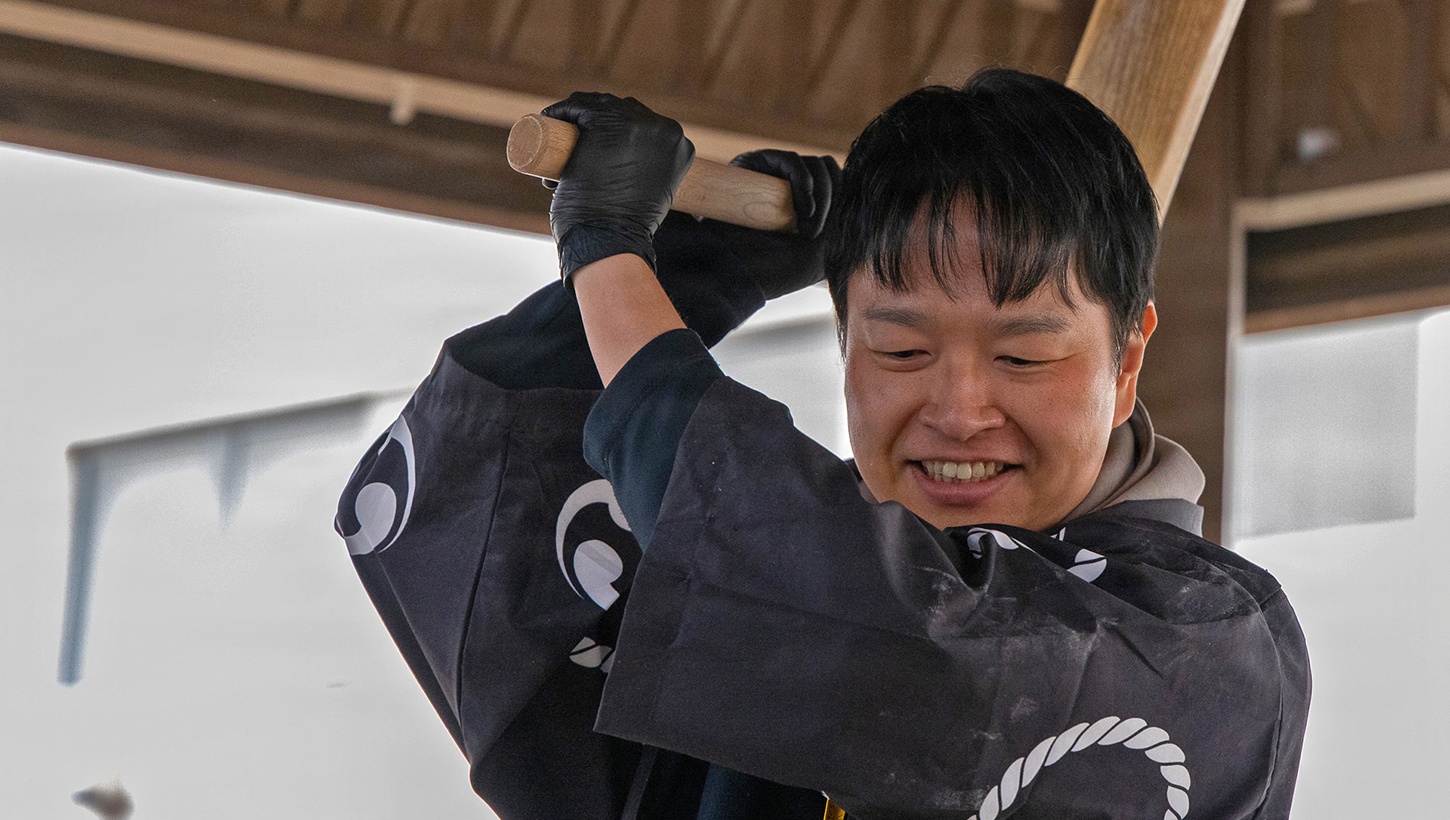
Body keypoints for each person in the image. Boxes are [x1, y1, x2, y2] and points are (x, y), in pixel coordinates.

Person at [336, 69, 1309, 820]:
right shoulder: (766, 619)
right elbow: (487, 559)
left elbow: (930, 642)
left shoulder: (1197, 637)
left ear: (1127, 355)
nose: (959, 408)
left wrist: (614, 259)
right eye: (901, 347)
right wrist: (694, 276)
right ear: (845, 343)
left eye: (1021, 356)